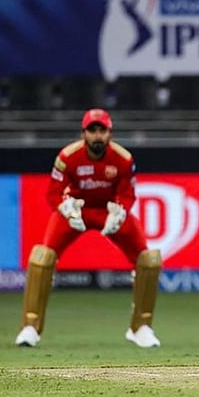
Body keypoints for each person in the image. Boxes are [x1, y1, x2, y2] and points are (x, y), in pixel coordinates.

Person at [15, 109, 162, 348]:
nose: (97, 136)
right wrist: (65, 208)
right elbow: (53, 192)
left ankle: (141, 327)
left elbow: (127, 193)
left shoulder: (123, 159)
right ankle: (30, 327)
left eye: (101, 130)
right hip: (76, 210)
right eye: (92, 130)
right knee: (42, 257)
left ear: (109, 134)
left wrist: (121, 211)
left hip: (109, 212)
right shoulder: (67, 156)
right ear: (83, 133)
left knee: (148, 259)